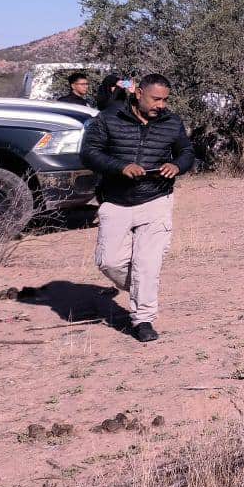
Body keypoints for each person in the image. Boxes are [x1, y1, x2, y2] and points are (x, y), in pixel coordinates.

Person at [79, 73, 194, 343]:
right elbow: (89, 153)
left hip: (156, 199)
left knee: (147, 263)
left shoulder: (172, 122)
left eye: (165, 100)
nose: (161, 105)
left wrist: (177, 166)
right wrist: (120, 167)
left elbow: (187, 152)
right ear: (138, 93)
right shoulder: (108, 118)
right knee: (108, 262)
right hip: (115, 200)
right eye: (156, 99)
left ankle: (143, 319)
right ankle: (144, 288)